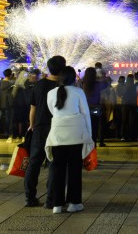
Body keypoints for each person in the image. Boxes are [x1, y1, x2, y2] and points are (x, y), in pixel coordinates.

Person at [45, 66, 93, 214]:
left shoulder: (51, 93)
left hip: (58, 135)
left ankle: (57, 205)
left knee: (58, 170)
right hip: (75, 135)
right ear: (74, 79)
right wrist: (89, 135)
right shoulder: (78, 92)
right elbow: (85, 114)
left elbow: (53, 112)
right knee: (74, 170)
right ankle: (74, 202)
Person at [25, 55, 66, 208]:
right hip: (57, 129)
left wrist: (31, 125)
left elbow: (32, 108)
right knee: (54, 164)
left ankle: (29, 198)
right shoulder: (63, 87)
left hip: (39, 128)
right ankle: (51, 199)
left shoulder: (39, 85)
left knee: (34, 163)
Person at [0, 68, 14, 138]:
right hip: (7, 102)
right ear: (10, 74)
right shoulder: (11, 83)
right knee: (7, 118)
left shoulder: (0, 82)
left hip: (0, 101)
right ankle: (6, 132)